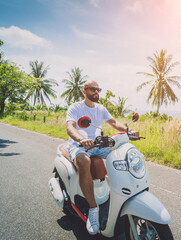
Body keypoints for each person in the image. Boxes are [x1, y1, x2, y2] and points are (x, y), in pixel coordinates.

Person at [65, 80, 128, 235]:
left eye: (98, 89)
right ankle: (93, 207)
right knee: (83, 161)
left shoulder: (100, 108)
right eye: (92, 89)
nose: (96, 92)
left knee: (122, 154)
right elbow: (70, 127)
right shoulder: (76, 108)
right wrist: (80, 139)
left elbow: (113, 122)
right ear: (84, 91)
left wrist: (128, 130)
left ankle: (122, 194)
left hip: (98, 146)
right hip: (80, 146)